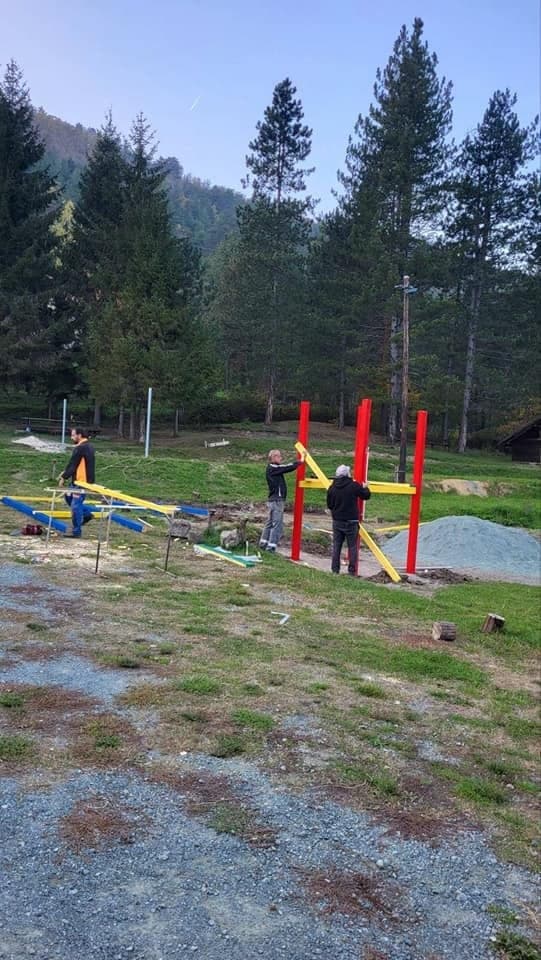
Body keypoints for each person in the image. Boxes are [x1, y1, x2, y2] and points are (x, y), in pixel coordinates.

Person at [326, 464, 370, 575]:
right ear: (347, 474)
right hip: (351, 521)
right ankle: (352, 571)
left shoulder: (332, 488)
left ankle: (335, 570)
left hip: (337, 521)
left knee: (337, 546)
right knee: (352, 547)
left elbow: (330, 505)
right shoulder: (353, 485)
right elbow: (366, 496)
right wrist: (365, 487)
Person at [259, 449, 304, 553]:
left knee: (270, 522)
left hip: (274, 499)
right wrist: (300, 461)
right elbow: (287, 467)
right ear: (274, 457)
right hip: (277, 500)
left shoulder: (272, 468)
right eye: (279, 456)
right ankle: (271, 547)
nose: (281, 458)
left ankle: (263, 543)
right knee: (277, 524)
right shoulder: (273, 467)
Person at [57, 427, 95, 538]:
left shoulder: (81, 447)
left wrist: (64, 477)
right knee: (68, 497)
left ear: (80, 435)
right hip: (78, 480)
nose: (71, 437)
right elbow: (75, 463)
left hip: (81, 481)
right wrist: (65, 472)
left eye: (73, 435)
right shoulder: (88, 446)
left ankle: (76, 532)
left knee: (75, 506)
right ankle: (87, 514)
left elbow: (73, 464)